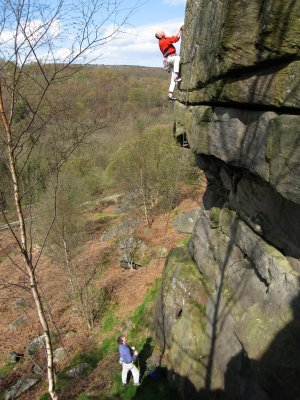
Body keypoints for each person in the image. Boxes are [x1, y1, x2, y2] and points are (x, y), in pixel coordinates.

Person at [155, 26, 184, 101]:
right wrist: (178, 28)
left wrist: (180, 32)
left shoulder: (165, 39)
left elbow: (176, 39)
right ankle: (176, 76)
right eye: (161, 31)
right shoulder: (162, 41)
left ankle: (170, 94)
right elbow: (174, 39)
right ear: (160, 35)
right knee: (178, 58)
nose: (163, 31)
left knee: (173, 77)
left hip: (170, 59)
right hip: (171, 58)